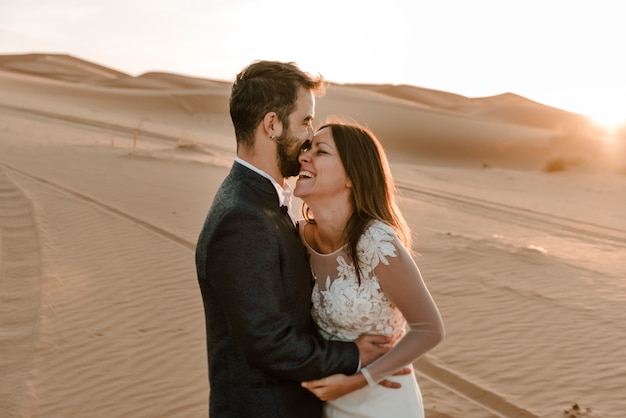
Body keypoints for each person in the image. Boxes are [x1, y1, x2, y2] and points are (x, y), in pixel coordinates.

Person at [195, 61, 393, 418]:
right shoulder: (243, 218)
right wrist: (355, 355)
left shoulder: (259, 200)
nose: (310, 134)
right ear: (272, 125)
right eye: (305, 121)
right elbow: (269, 343)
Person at [295, 122, 445, 417]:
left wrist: (358, 382)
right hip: (320, 399)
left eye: (320, 151)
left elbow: (430, 329)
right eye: (305, 148)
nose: (303, 157)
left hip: (382, 402)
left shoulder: (376, 243)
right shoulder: (294, 238)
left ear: (352, 176)